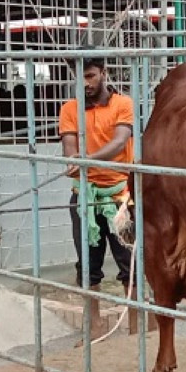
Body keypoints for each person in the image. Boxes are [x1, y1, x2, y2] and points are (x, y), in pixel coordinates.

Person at [59, 57, 134, 299]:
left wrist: (86, 160)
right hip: (85, 196)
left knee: (130, 265)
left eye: (90, 75)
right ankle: (95, 329)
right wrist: (73, 161)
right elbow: (69, 145)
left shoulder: (123, 104)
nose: (85, 83)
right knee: (87, 268)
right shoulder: (69, 108)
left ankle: (138, 331)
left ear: (104, 72)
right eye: (79, 76)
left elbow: (120, 141)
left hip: (120, 197)